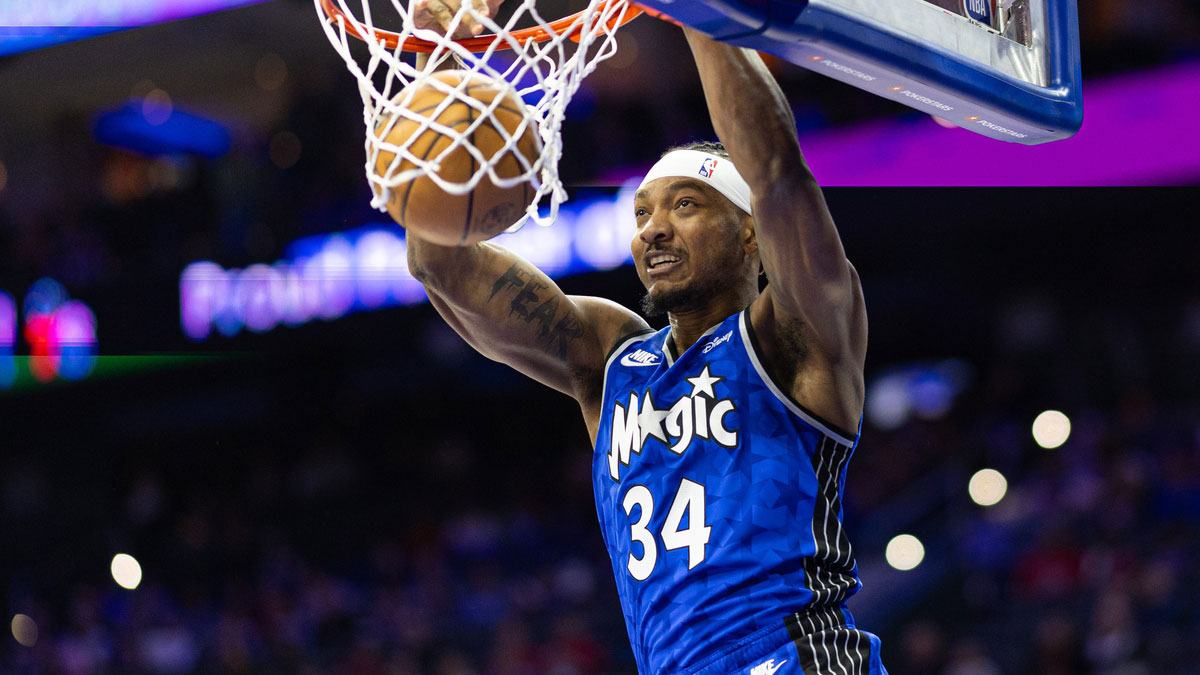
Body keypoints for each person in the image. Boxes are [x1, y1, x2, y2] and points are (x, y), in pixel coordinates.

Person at [405, 3, 886, 673]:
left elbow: (776, 170)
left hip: (792, 655)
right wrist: (443, 69)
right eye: (642, 213)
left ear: (750, 231)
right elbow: (440, 264)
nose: (652, 229)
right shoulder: (612, 358)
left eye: (684, 205)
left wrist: (696, 8)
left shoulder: (791, 334)